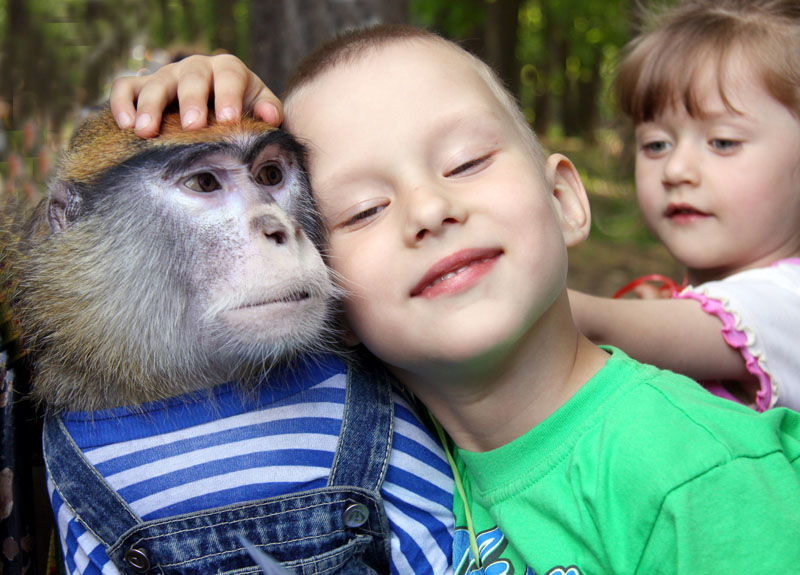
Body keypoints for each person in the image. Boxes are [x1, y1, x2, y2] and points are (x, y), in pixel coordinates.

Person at [111, 23, 800, 574]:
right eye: (364, 209)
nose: (429, 208)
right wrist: (215, 117)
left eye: (467, 163)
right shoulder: (375, 444)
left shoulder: (695, 474)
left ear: (562, 200)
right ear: (326, 293)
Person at [567, 0, 800, 413]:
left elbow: (597, 325)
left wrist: (530, 304)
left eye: (723, 142)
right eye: (657, 144)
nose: (675, 169)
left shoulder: (789, 302)